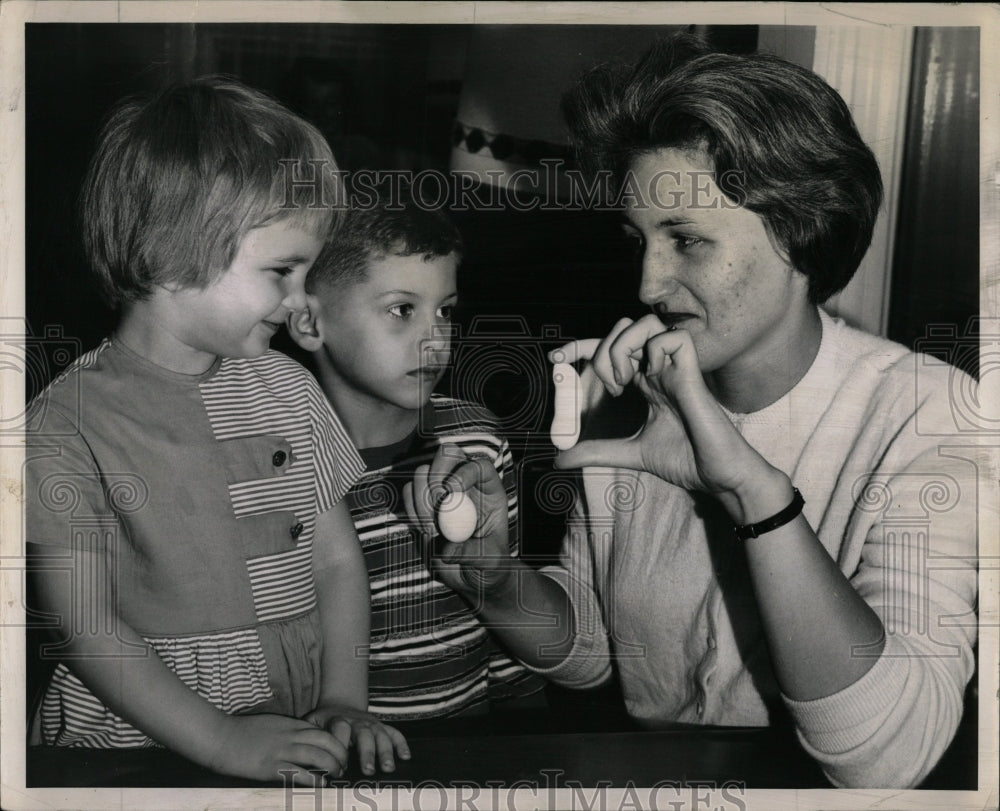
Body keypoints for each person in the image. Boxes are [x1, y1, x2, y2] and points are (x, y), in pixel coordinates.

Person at [405, 35, 979, 788]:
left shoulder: (930, 417)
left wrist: (752, 493)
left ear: (802, 231)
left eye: (686, 239)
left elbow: (887, 759)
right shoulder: (631, 396)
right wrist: (493, 576)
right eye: (638, 239)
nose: (646, 285)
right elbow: (595, 655)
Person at [25, 77, 407, 784]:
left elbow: (335, 562)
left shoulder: (289, 388)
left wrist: (342, 700)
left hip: (290, 727)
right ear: (175, 251)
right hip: (134, 748)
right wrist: (220, 741)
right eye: (282, 271)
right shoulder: (64, 424)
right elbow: (87, 627)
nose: (301, 302)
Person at [287, 184, 546, 720]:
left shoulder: (477, 440)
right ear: (310, 322)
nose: (436, 341)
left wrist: (525, 726)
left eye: (446, 312)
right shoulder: (278, 463)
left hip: (472, 744)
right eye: (402, 309)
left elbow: (502, 606)